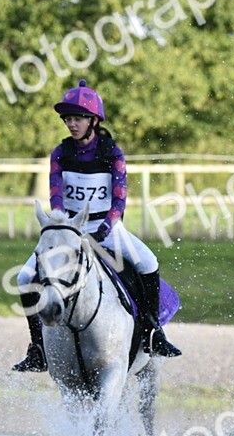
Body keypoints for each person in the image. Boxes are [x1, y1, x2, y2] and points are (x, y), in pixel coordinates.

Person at [12, 79, 181, 372]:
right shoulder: (60, 153)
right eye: (68, 119)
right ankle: (38, 348)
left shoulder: (112, 152)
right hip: (70, 231)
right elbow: (56, 197)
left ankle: (152, 331)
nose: (71, 124)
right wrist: (65, 229)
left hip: (107, 229)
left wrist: (104, 229)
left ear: (93, 120)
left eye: (77, 118)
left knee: (149, 263)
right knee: (24, 278)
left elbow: (119, 200)